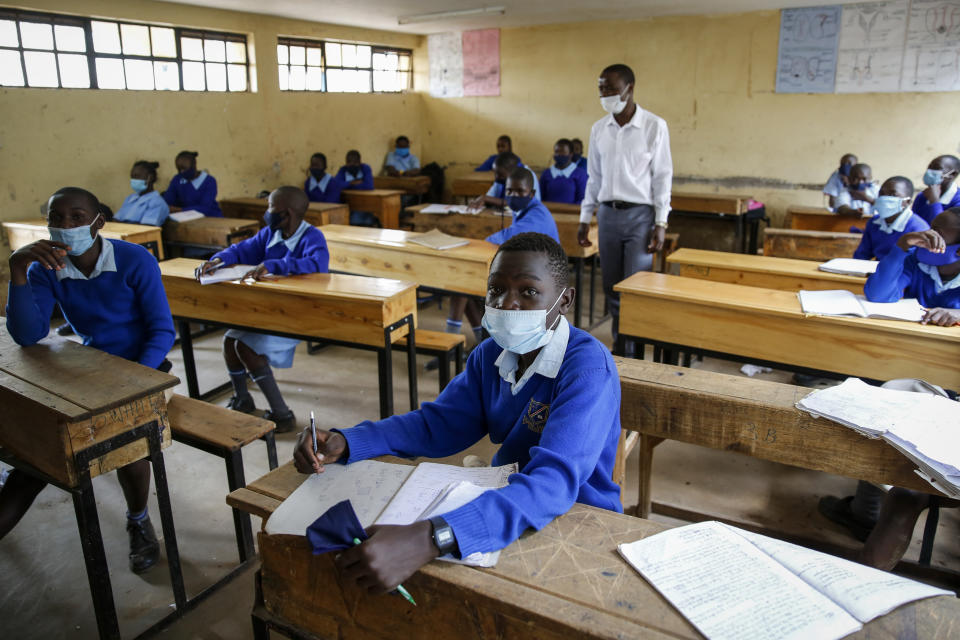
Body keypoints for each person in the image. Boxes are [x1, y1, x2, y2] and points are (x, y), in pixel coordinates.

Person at [293, 232, 622, 593]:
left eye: (528, 292)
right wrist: (348, 440)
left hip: (577, 516)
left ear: (564, 301)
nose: (507, 304)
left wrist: (434, 536)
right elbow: (439, 424)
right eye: (496, 290)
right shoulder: (489, 354)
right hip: (504, 501)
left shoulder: (587, 369)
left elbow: (554, 481)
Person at [3, 187, 175, 573]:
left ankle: (138, 519)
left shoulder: (134, 260)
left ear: (98, 222)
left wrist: (136, 381)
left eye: (77, 217)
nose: (65, 226)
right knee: (45, 440)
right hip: (93, 363)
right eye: (56, 219)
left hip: (142, 366)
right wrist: (17, 270)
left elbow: (162, 330)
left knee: (128, 441)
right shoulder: (44, 267)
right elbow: (28, 335)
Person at [196, 187, 329, 433]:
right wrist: (217, 260)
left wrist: (275, 265)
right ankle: (243, 398)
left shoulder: (313, 237)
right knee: (229, 341)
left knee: (246, 346)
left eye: (270, 207)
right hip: (267, 310)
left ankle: (282, 414)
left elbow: (317, 264)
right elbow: (240, 250)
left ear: (287, 214)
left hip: (297, 313)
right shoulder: (270, 233)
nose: (266, 212)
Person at [578, 63, 672, 350]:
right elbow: (594, 177)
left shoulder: (654, 126)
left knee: (635, 286)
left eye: (611, 89)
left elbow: (662, 176)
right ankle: (622, 342)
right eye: (601, 89)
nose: (605, 94)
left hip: (640, 217)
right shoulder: (598, 129)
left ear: (629, 89)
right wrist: (585, 218)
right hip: (607, 214)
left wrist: (661, 222)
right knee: (611, 286)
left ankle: (631, 345)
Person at [862, 207, 960, 325]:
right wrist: (902, 244)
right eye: (931, 229)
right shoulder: (914, 260)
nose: (930, 235)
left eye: (939, 233)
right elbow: (878, 295)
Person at [853, 176, 929, 261]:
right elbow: (862, 255)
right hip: (876, 270)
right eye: (881, 193)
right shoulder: (874, 222)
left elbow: (918, 264)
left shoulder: (919, 228)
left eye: (892, 195)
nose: (884, 198)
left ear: (907, 202)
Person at [468, 152, 541, 210]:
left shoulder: (526, 176)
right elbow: (491, 195)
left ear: (512, 171)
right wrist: (480, 201)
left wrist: (485, 198)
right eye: (495, 173)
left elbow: (517, 202)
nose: (497, 177)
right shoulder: (501, 178)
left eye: (500, 174)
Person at [162, 150, 222, 217]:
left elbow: (205, 208)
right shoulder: (177, 179)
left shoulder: (209, 181)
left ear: (194, 165)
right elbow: (168, 201)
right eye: (179, 169)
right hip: (185, 218)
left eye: (184, 169)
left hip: (210, 217)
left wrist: (179, 210)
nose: (181, 172)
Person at [114, 160, 170, 226]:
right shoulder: (130, 199)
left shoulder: (157, 202)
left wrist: (121, 225)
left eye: (137, 176)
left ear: (150, 178)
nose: (133, 180)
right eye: (132, 177)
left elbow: (145, 228)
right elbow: (115, 220)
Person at [912, 155, 960, 225]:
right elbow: (915, 224)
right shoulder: (922, 196)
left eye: (937, 168)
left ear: (953, 174)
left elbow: (944, 229)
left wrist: (934, 201)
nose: (930, 171)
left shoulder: (957, 201)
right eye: (930, 167)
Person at [539, 138, 588, 204]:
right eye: (556, 151)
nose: (559, 154)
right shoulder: (547, 173)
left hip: (572, 213)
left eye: (562, 152)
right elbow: (541, 197)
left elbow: (582, 199)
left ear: (570, 154)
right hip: (548, 212)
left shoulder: (580, 174)